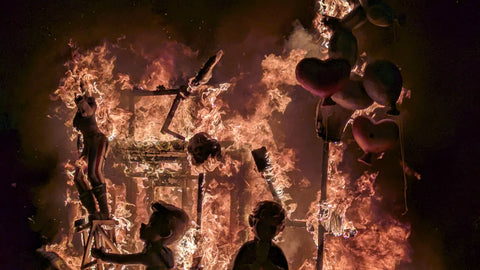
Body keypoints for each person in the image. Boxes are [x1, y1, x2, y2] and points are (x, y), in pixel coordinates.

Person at [92, 201, 189, 270]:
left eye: (151, 225)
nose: (143, 225)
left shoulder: (152, 256)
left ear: (164, 233)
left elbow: (122, 259)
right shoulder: (167, 253)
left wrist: (103, 256)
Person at [73, 93, 110, 220]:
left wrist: (82, 101)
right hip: (88, 144)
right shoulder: (79, 112)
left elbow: (87, 110)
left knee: (94, 173)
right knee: (78, 177)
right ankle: (93, 212)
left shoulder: (90, 107)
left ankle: (105, 212)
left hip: (98, 141)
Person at [233, 201, 289, 270]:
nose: (266, 231)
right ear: (251, 221)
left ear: (280, 228)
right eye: (262, 226)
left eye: (271, 228)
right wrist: (257, 263)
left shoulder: (276, 252)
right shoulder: (247, 249)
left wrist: (266, 264)